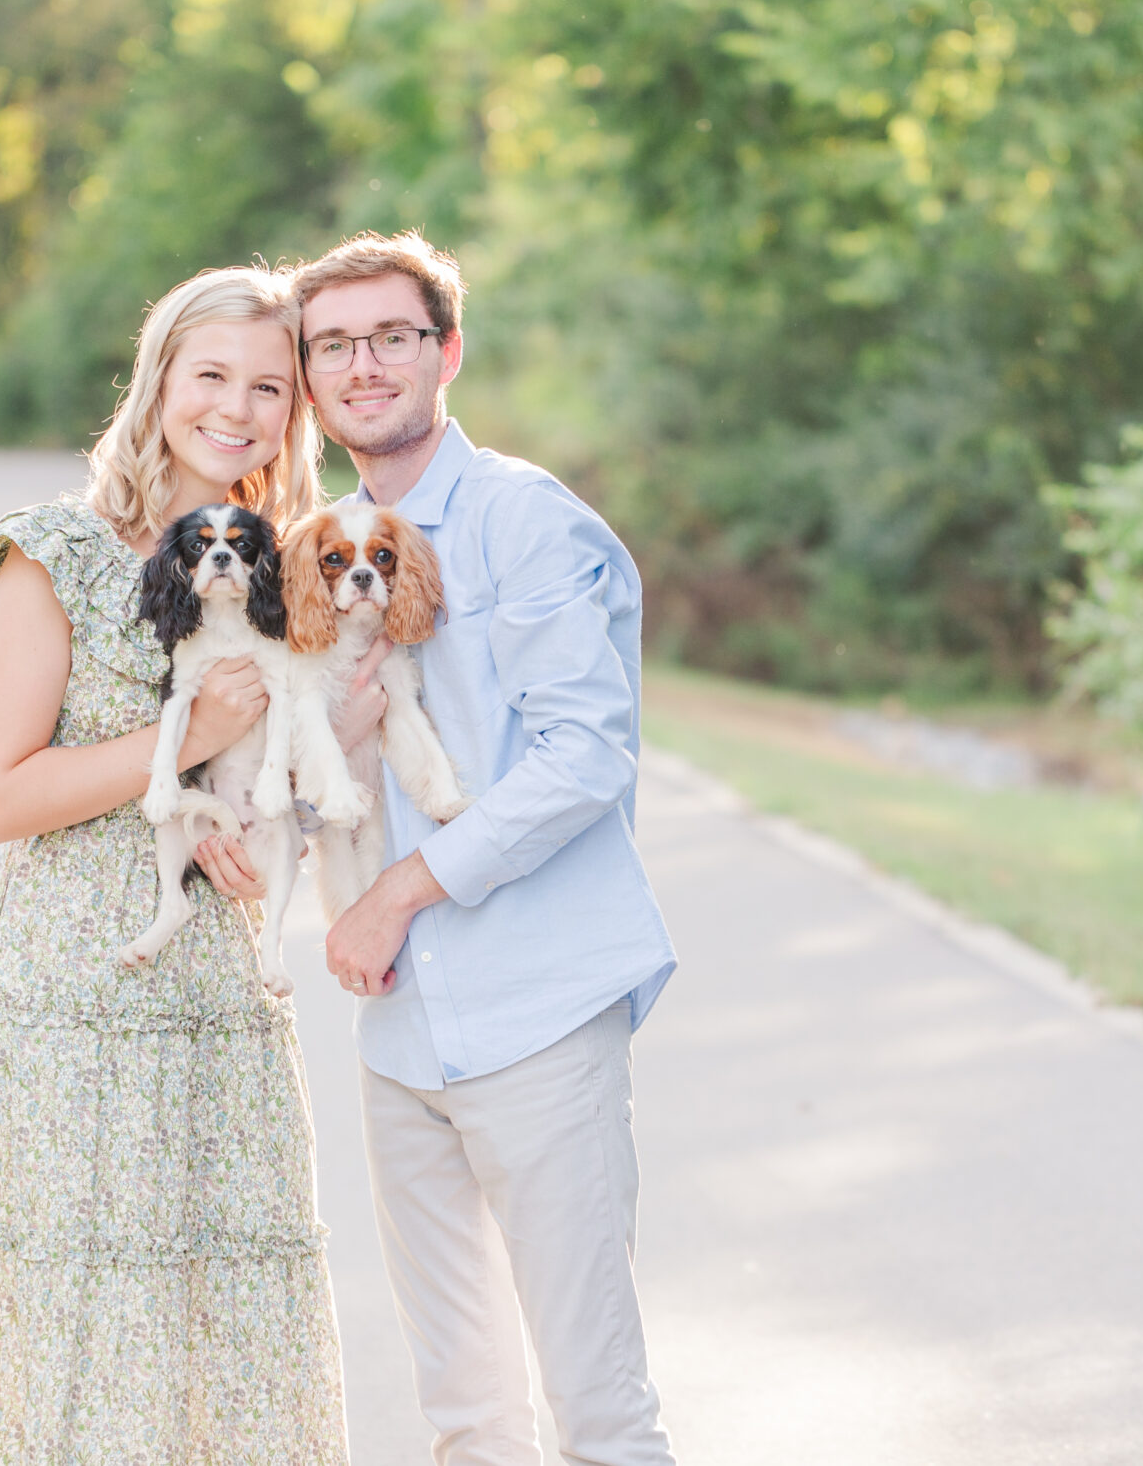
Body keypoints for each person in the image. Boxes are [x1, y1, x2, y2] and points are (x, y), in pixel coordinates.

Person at [0, 267, 349, 1465]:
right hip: (72, 1000)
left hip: (214, 1001)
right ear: (159, 383)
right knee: (81, 1331)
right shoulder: (52, 556)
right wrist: (186, 746)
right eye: (212, 375)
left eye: (269, 386)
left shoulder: (279, 566)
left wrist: (248, 824)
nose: (238, 409)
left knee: (221, 1331)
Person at [292, 232, 680, 1466]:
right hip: (401, 1038)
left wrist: (402, 892)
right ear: (309, 376)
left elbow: (585, 757)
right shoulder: (321, 544)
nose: (364, 366)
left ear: (445, 351)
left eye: (391, 337)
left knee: (597, 1411)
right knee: (466, 1419)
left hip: (534, 1013)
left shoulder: (522, 520)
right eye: (333, 346)